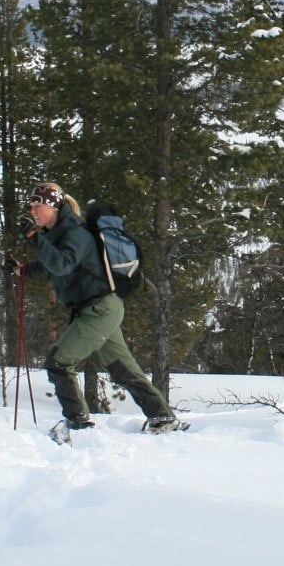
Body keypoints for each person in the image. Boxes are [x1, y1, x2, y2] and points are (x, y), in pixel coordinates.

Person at [18, 181, 181, 437]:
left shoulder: (76, 233)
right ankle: (162, 417)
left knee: (59, 363)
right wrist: (23, 269)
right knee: (123, 368)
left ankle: (78, 424)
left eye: (39, 205)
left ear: (54, 206)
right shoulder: (58, 235)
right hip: (99, 309)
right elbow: (55, 264)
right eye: (32, 206)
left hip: (100, 309)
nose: (33, 211)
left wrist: (35, 238)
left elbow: (62, 264)